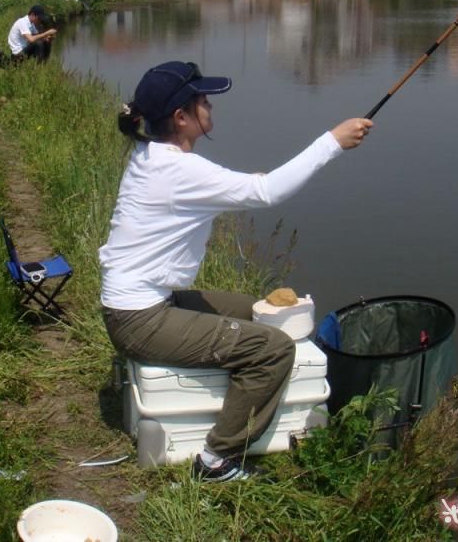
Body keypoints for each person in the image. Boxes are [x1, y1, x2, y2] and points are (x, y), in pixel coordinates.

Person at [99, 61, 373, 482]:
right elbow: (266, 194)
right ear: (181, 117)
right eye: (203, 99)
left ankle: (243, 408)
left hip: (140, 303)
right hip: (140, 318)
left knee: (262, 310)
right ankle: (216, 459)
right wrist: (331, 142)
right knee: (273, 349)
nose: (211, 105)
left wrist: (256, 181)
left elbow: (244, 186)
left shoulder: (153, 155)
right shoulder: (179, 170)